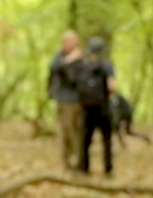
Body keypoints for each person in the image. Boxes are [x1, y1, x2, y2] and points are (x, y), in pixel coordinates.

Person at [72, 36, 117, 177]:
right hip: (103, 108)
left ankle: (83, 168)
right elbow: (112, 86)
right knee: (107, 141)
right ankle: (108, 170)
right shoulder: (107, 65)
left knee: (85, 140)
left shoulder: (81, 66)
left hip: (87, 109)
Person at [47, 30, 83, 170]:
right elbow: (54, 69)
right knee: (66, 131)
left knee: (78, 132)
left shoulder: (81, 57)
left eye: (73, 41)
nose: (70, 44)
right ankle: (66, 162)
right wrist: (69, 60)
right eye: (68, 41)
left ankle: (79, 162)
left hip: (79, 99)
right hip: (64, 99)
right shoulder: (59, 57)